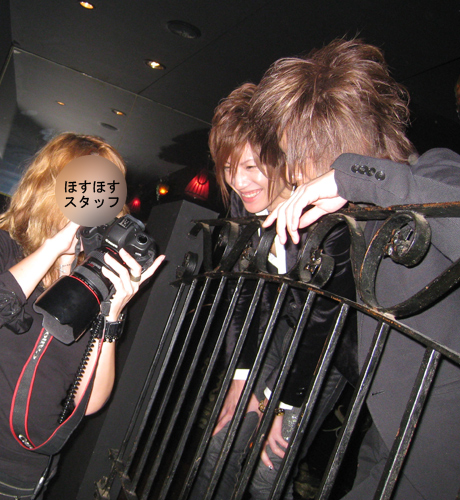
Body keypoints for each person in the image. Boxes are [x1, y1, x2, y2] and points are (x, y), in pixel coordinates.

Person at [249, 38, 460, 499]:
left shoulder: (433, 170)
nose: (294, 174)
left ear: (339, 146)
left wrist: (353, 176)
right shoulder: (359, 222)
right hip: (390, 437)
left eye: (298, 157)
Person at [191, 83, 357, 499]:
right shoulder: (243, 205)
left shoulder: (327, 214)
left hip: (324, 349)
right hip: (276, 331)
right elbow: (244, 294)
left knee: (268, 472)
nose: (238, 182)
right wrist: (240, 379)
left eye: (251, 167)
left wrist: (277, 404)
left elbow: (323, 321)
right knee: (219, 446)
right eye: (229, 168)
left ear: (283, 157)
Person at [0, 132, 165, 499]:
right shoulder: (6, 247)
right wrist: (53, 248)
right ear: (52, 188)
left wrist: (112, 315)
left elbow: (90, 403)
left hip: (22, 474)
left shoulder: (93, 283)